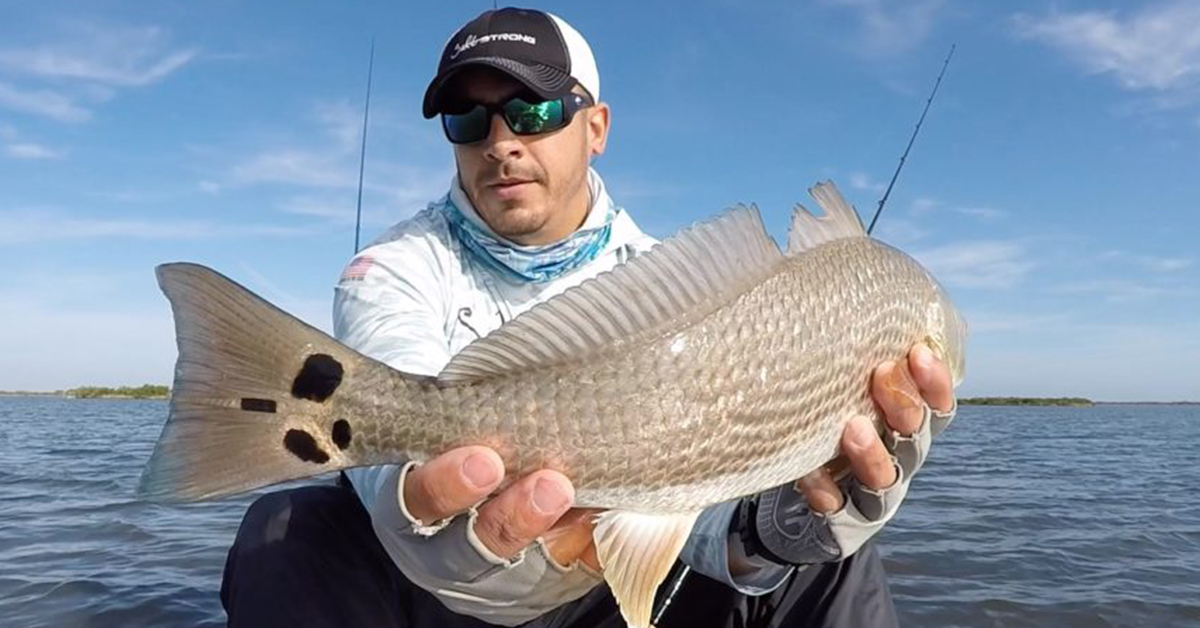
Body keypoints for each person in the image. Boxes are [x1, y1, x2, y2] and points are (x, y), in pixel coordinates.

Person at [220, 7, 957, 628]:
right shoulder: (392, 268)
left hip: (606, 590)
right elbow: (394, 491)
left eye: (534, 111)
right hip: (429, 596)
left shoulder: (672, 277)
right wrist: (424, 519)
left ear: (596, 126)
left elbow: (685, 490)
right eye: (467, 118)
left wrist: (766, 532)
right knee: (284, 531)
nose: (501, 141)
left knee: (832, 550)